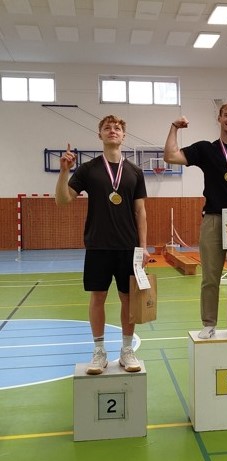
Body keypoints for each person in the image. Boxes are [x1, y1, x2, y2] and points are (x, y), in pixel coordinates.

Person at [164, 102, 227, 339]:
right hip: (212, 219)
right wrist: (174, 127)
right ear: (219, 118)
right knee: (210, 277)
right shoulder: (205, 149)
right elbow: (170, 156)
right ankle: (209, 323)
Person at [55, 115, 149, 375]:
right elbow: (63, 200)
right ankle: (99, 352)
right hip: (97, 245)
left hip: (128, 247)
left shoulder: (135, 171)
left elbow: (140, 211)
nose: (112, 131)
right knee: (98, 298)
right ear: (100, 135)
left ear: (123, 135)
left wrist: (143, 246)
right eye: (107, 128)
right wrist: (64, 171)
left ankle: (127, 350)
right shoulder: (88, 169)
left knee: (128, 299)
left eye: (117, 128)